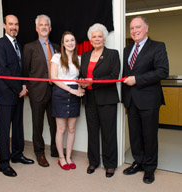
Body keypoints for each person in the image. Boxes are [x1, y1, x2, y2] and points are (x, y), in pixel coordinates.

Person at [122, 16, 169, 184]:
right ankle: (139, 162)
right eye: (132, 28)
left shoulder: (157, 46)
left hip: (149, 100)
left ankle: (150, 168)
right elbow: (124, 76)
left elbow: (163, 71)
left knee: (149, 135)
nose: (134, 30)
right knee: (134, 135)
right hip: (131, 100)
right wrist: (124, 100)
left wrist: (138, 79)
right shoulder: (127, 50)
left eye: (138, 27)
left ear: (146, 28)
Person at [0, 14, 34, 177]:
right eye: (10, 24)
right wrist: (19, 89)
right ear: (4, 25)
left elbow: (21, 70)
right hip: (6, 94)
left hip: (19, 93)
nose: (14, 27)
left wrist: (24, 85)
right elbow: (3, 71)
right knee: (4, 130)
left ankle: (17, 154)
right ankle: (4, 163)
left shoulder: (19, 45)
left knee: (18, 127)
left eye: (16, 24)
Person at [79, 23, 120, 178]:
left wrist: (92, 81)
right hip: (89, 99)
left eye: (99, 36)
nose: (97, 39)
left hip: (107, 99)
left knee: (108, 133)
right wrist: (82, 82)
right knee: (92, 133)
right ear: (90, 39)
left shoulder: (113, 54)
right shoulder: (85, 55)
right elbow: (82, 75)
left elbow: (113, 77)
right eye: (94, 37)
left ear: (104, 38)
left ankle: (110, 165)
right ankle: (93, 161)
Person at [23, 14, 60, 167]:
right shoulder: (29, 47)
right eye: (41, 25)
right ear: (37, 28)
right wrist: (25, 87)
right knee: (37, 124)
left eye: (46, 25)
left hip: (55, 91)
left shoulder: (57, 47)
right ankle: (40, 153)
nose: (44, 27)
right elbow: (25, 70)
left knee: (55, 124)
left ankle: (55, 150)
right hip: (37, 91)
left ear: (50, 28)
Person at [51, 31, 85, 170]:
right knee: (61, 128)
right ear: (63, 44)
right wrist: (71, 90)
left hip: (75, 95)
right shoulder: (57, 57)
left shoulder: (80, 58)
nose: (70, 43)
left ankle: (69, 157)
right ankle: (61, 158)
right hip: (60, 93)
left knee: (71, 129)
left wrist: (80, 87)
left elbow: (80, 79)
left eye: (72, 40)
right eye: (67, 41)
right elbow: (53, 78)